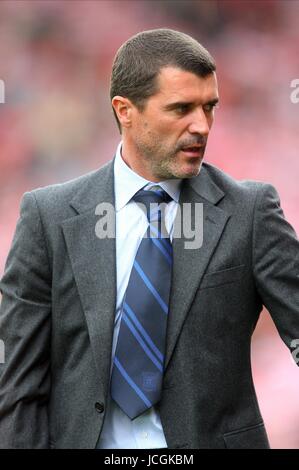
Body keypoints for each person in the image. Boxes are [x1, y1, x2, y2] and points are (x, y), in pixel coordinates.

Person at [0, 28, 298, 450]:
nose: (201, 126)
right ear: (125, 110)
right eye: (181, 108)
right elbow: (18, 382)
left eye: (209, 107)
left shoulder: (249, 211)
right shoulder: (48, 218)